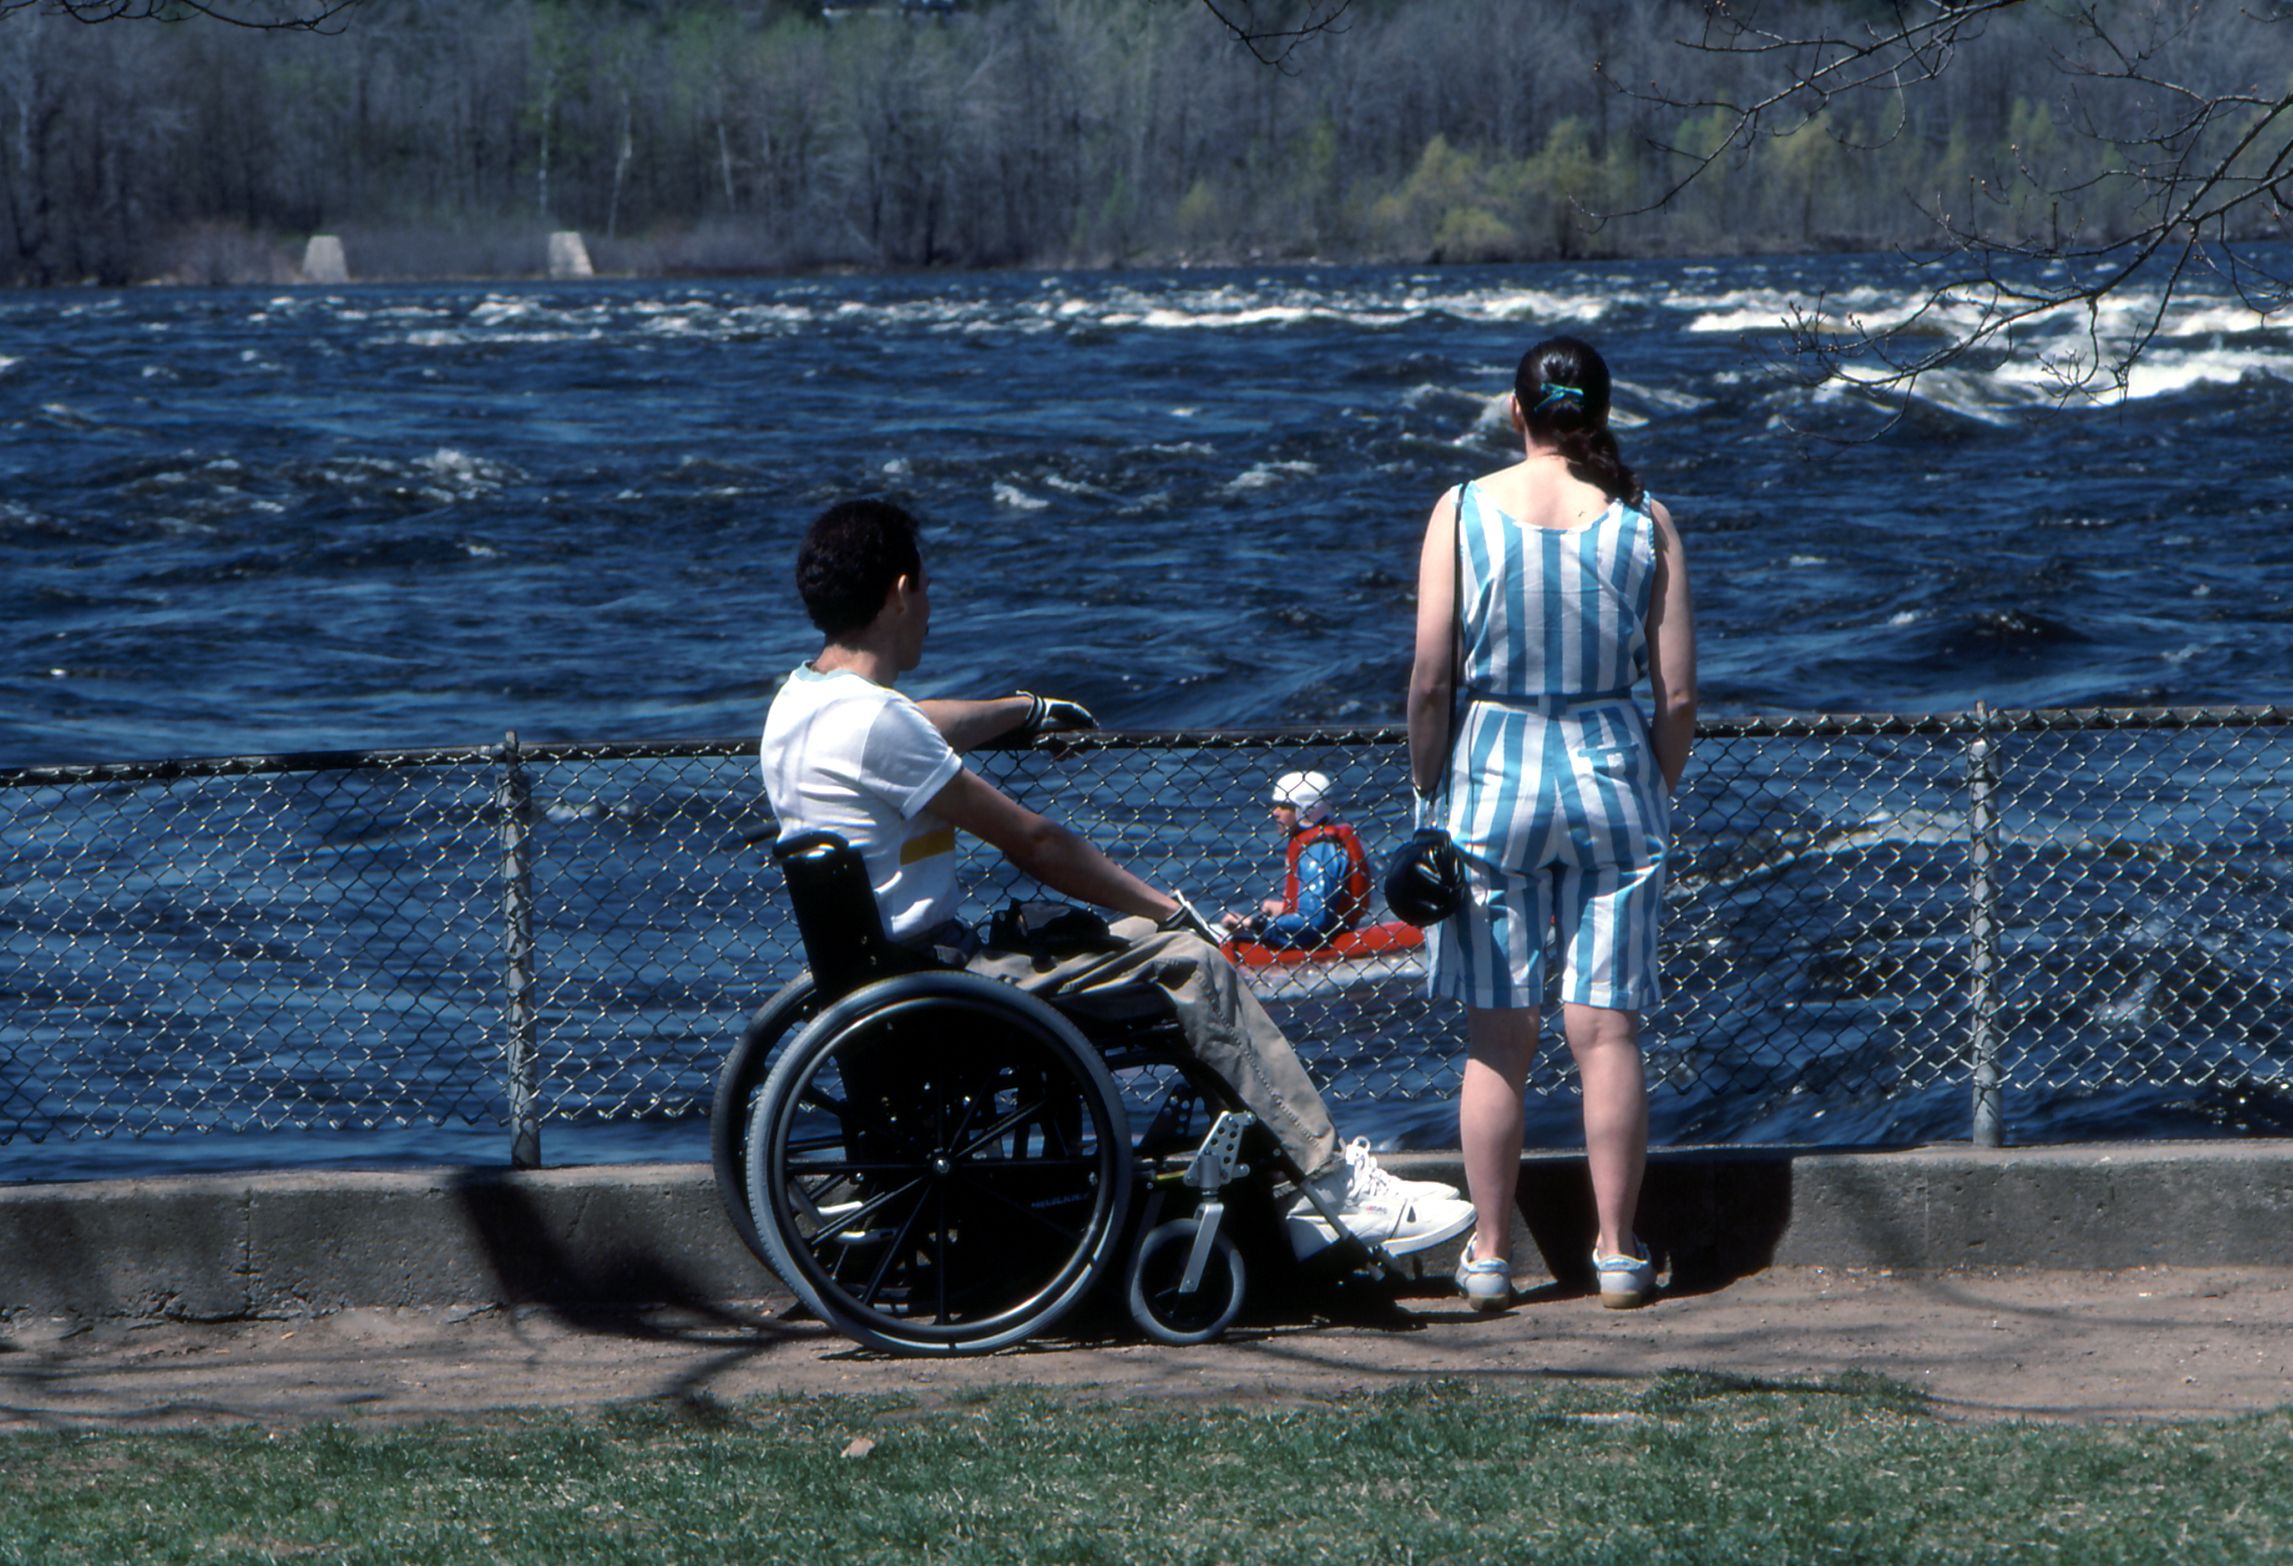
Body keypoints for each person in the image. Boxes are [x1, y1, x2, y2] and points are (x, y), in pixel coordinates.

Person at [760, 497, 1473, 1263]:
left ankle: (1273, 1182)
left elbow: (911, 724)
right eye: (926, 588)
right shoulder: (878, 725)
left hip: (883, 984)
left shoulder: (800, 704)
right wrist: (1169, 908)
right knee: (1191, 962)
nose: (930, 606)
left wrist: (1019, 710)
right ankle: (1331, 1185)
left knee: (1138, 944)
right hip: (945, 985)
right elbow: (1035, 842)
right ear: (901, 591)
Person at [1406, 336, 1697, 1312]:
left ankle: (1489, 1254)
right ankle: (1617, 1252)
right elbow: (1679, 692)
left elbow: (1430, 679)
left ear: (1513, 409)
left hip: (1492, 776)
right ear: (1601, 412)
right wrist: (1649, 784)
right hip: (1613, 773)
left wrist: (1426, 794)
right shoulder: (1643, 518)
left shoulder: (1460, 511)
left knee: (1498, 1036)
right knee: (1605, 1029)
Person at [1220, 770, 1373, 950]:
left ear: (1306, 809)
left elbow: (1315, 919)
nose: (1274, 813)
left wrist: (1256, 924)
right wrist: (1285, 907)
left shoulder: (1317, 851)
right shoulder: (1314, 844)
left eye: (1284, 806)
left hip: (1318, 940)